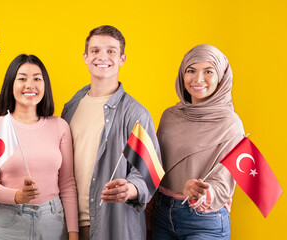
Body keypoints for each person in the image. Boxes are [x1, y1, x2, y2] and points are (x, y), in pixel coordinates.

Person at [61, 25, 161, 240]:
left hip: (113, 226)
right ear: (86, 57)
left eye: (111, 51)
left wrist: (131, 189)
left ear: (122, 59)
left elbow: (148, 173)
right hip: (70, 227)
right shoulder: (71, 107)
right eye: (95, 51)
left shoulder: (137, 114)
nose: (102, 57)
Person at [151, 44, 245, 240]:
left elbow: (224, 180)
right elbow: (155, 166)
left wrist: (202, 192)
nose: (198, 79)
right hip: (161, 214)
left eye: (208, 71)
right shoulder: (169, 116)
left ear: (221, 77)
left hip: (204, 220)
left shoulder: (230, 123)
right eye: (191, 70)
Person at [0, 54, 79, 240]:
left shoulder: (59, 126)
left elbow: (67, 184)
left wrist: (73, 234)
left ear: (45, 85)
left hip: (53, 221)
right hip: (10, 223)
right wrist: (19, 196)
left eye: (37, 78)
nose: (30, 85)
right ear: (11, 85)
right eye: (22, 78)